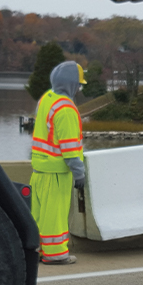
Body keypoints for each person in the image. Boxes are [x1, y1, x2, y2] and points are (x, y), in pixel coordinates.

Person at [30, 60, 87, 265]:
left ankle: (34, 251)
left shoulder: (47, 99)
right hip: (56, 171)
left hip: (39, 169)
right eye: (78, 84)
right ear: (72, 84)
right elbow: (71, 149)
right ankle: (55, 255)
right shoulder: (66, 110)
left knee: (38, 214)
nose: (79, 88)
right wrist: (79, 173)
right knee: (54, 215)